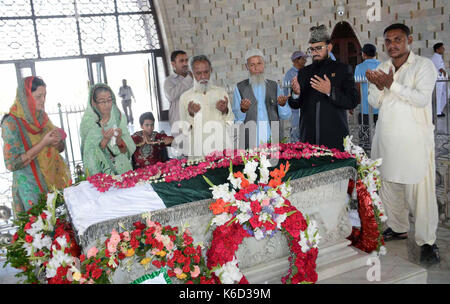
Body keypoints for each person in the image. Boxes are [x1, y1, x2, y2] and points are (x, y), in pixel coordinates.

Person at [366, 23, 440, 265]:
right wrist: (378, 88)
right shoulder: (382, 67)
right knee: (391, 189)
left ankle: (427, 241)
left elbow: (420, 99)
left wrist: (391, 84)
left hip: (415, 142)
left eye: (397, 39)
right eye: (388, 41)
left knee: (421, 194)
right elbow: (375, 103)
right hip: (387, 140)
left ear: (410, 39)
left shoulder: (423, 66)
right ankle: (398, 228)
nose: (392, 45)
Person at [1, 76, 70, 213]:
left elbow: (60, 148)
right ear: (26, 97)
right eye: (38, 96)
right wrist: (43, 143)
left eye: (44, 95)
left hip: (53, 184)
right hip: (31, 189)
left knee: (61, 230)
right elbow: (12, 164)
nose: (43, 100)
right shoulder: (11, 123)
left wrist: (57, 142)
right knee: (39, 231)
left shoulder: (41, 117)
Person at [288, 25, 359, 151]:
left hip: (335, 137)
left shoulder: (342, 69)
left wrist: (330, 91)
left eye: (318, 48)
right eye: (311, 49)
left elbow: (352, 101)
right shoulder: (304, 72)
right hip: (309, 139)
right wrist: (296, 94)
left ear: (329, 47)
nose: (315, 53)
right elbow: (295, 105)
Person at [233, 49, 291, 149]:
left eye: (259, 63)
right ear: (247, 67)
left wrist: (282, 105)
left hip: (274, 140)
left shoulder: (274, 86)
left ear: (264, 64)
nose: (256, 68)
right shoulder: (240, 88)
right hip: (251, 142)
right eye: (252, 65)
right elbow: (237, 120)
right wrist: (243, 110)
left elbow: (285, 115)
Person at [179, 55, 234, 158]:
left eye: (206, 72)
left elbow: (230, 122)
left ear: (211, 70)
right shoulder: (185, 97)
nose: (203, 77)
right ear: (192, 74)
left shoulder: (221, 93)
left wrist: (225, 110)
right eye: (198, 73)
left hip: (222, 149)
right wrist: (191, 114)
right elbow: (184, 131)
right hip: (199, 152)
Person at [80, 83, 136, 176]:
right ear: (94, 103)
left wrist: (119, 140)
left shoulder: (118, 117)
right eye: (102, 101)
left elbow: (126, 153)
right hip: (103, 177)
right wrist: (105, 140)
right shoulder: (89, 123)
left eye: (109, 100)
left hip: (123, 171)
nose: (107, 104)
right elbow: (89, 157)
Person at [164, 50, 194, 138]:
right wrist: (189, 79)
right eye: (181, 61)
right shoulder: (169, 81)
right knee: (184, 149)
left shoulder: (196, 77)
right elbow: (171, 96)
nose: (185, 63)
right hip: (179, 122)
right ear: (173, 64)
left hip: (197, 120)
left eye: (186, 60)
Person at [283, 50, 309, 142]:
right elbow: (286, 94)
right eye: (304, 59)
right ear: (297, 60)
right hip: (295, 114)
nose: (305, 61)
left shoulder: (306, 72)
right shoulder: (289, 75)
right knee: (296, 138)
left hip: (307, 112)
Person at [431, 43, 448, 117]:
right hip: (438, 79)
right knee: (439, 96)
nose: (443, 49)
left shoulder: (439, 57)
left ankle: (439, 110)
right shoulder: (436, 57)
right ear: (437, 50)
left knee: (447, 93)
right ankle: (438, 112)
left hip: (442, 79)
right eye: (442, 48)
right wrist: (448, 76)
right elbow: (441, 70)